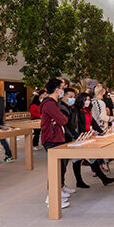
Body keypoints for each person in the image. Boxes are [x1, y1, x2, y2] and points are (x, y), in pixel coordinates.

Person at [41, 79, 70, 208]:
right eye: (61, 88)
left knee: (59, 168)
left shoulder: (53, 103)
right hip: (52, 139)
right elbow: (62, 120)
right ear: (57, 89)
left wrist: (60, 119)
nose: (62, 91)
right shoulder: (50, 104)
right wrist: (61, 119)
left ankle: (56, 194)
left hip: (56, 138)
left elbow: (60, 119)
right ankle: (52, 199)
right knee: (55, 170)